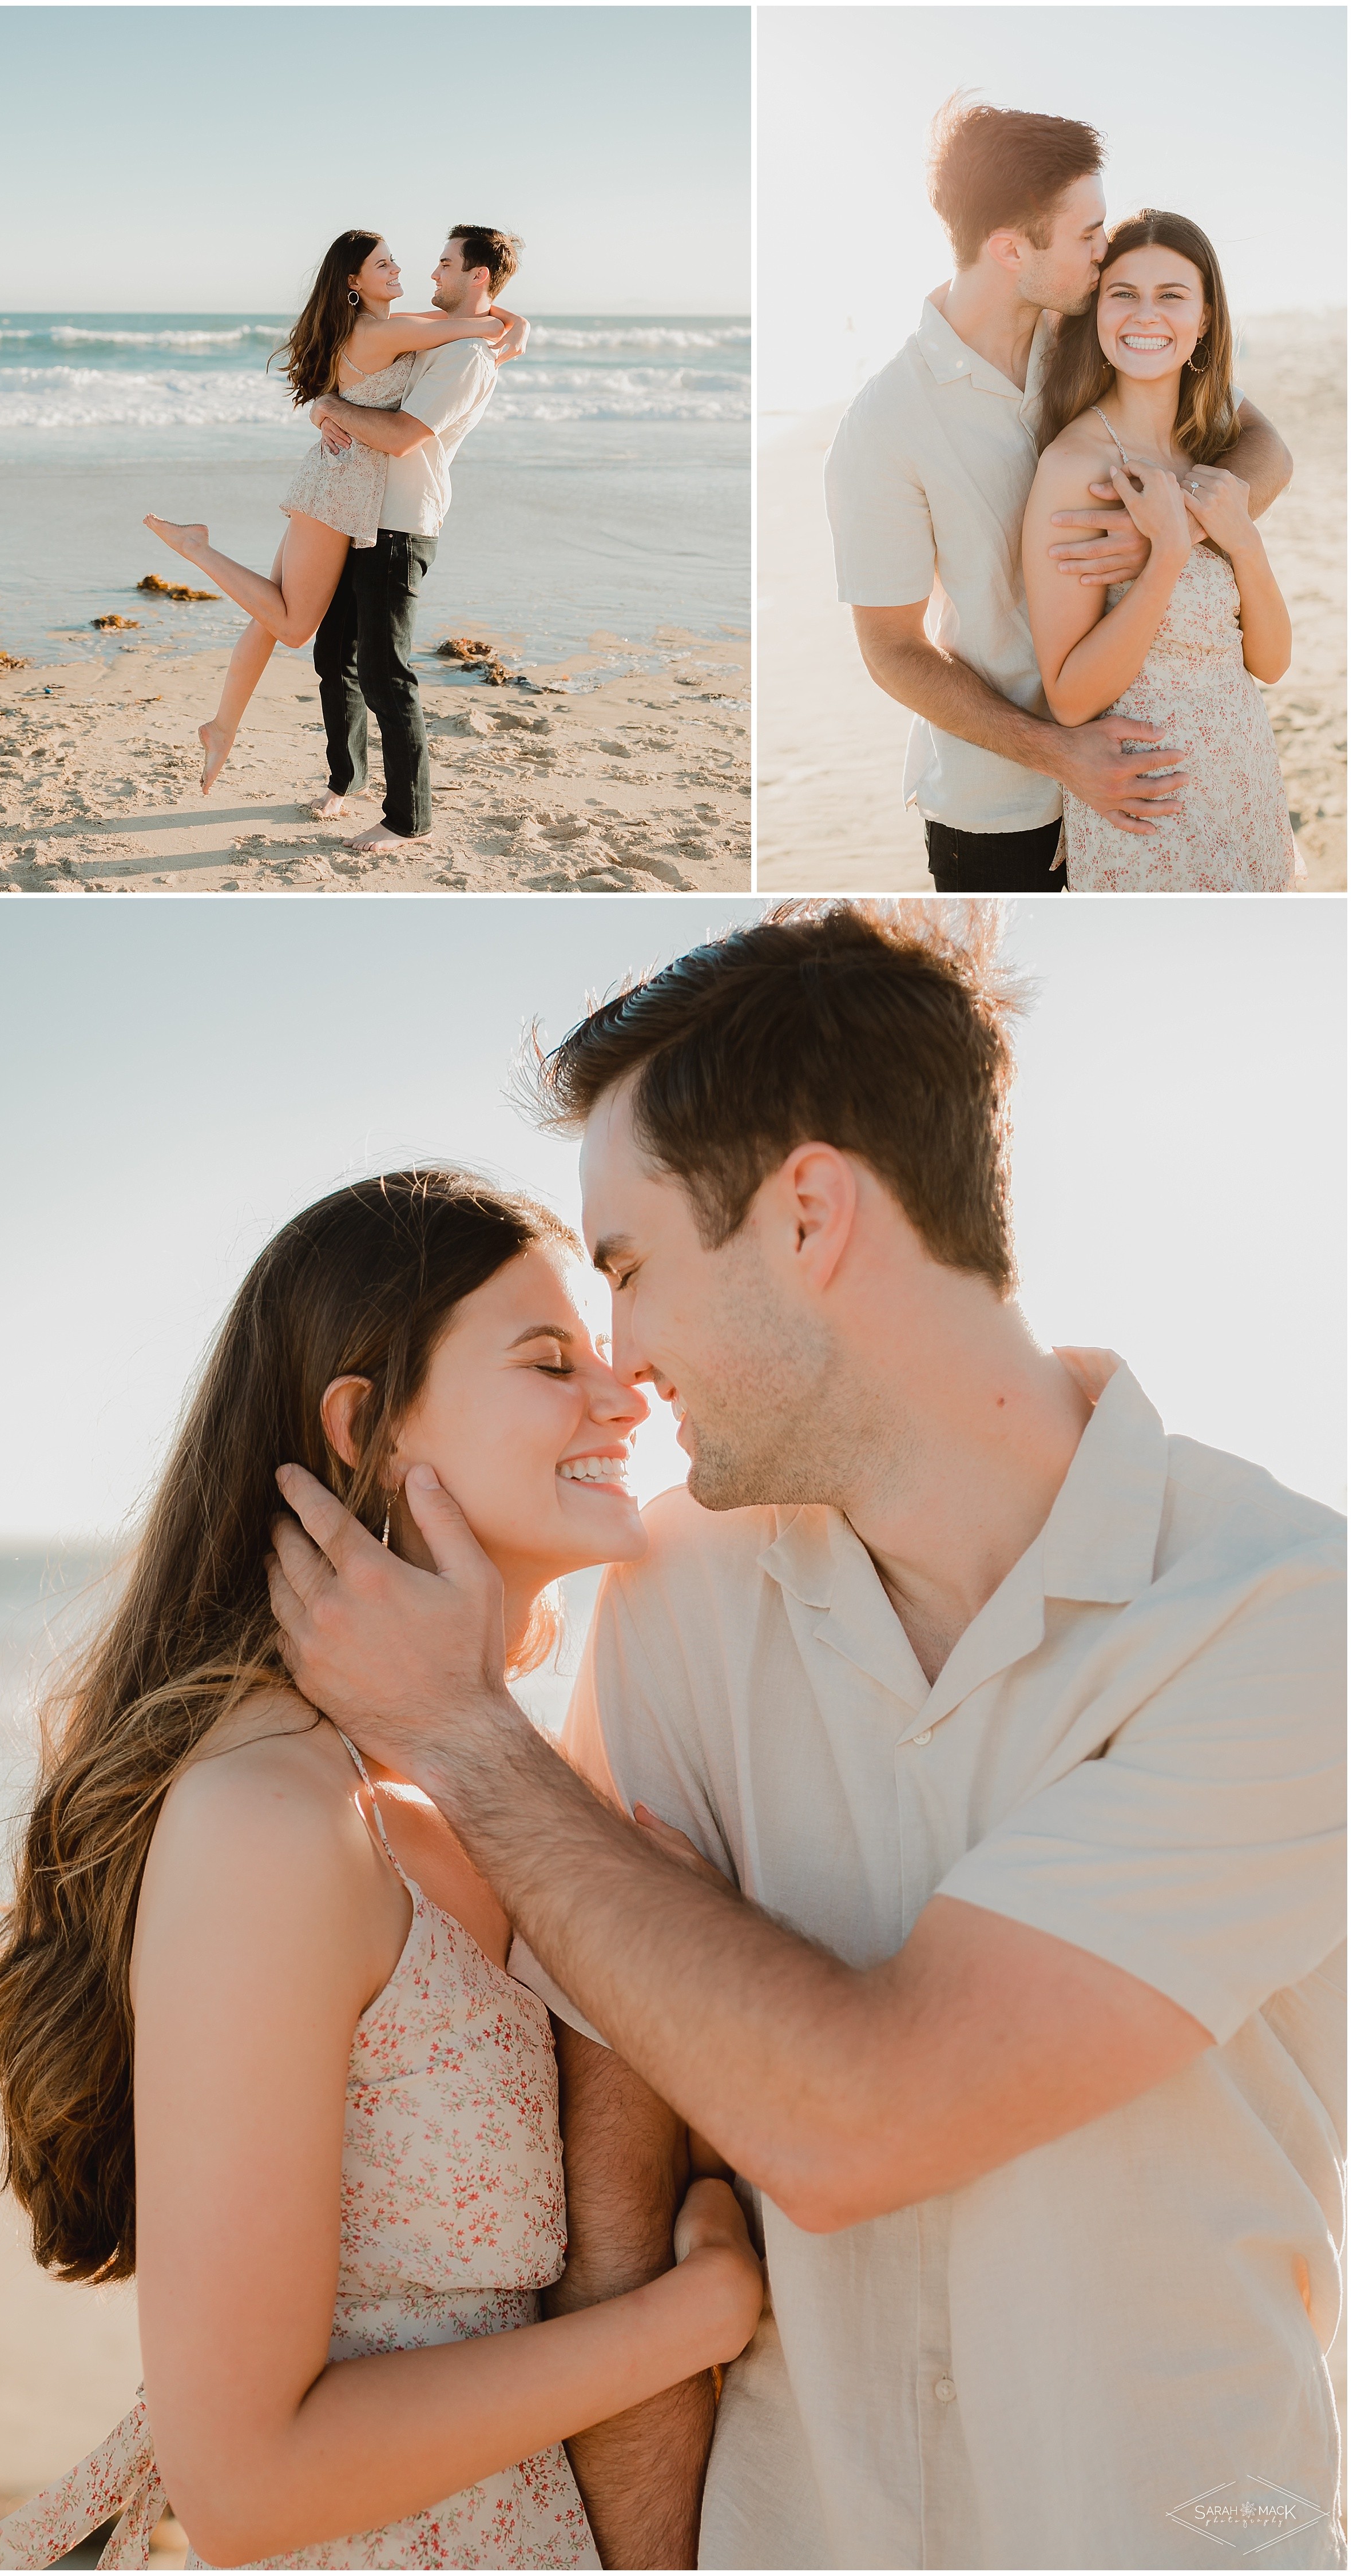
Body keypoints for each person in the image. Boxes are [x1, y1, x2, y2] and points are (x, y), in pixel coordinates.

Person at [266, 904, 1346, 2572]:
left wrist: (467, 1740)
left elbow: (854, 2123)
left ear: (808, 1214)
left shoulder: (1281, 1618)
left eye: (625, 1268)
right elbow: (622, 2178)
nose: (621, 1362)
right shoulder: (678, 1597)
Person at [0, 1173, 761, 2574]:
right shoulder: (273, 1819)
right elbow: (246, 2478)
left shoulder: (493, 1787)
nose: (625, 1401)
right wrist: (683, 2325)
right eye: (552, 1364)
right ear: (366, 1430)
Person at [824, 99, 1294, 892]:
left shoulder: (1093, 333)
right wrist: (1056, 750)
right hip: (1004, 808)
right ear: (1012, 248)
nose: (1105, 250)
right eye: (1087, 233)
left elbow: (1265, 446)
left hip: (1158, 767)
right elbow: (891, 650)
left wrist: (1167, 524)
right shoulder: (886, 423)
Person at [140, 229, 526, 807]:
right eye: (384, 264)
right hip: (342, 490)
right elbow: (476, 324)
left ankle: (223, 728)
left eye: (429, 263)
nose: (408, 271)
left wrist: (325, 406)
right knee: (296, 628)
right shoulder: (389, 330)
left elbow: (458, 325)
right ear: (353, 282)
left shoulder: (398, 329)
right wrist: (513, 326)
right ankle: (197, 549)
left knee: (275, 617)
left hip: (344, 489)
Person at [1025, 211, 1298, 890]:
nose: (1146, 314)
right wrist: (1166, 557)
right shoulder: (1075, 467)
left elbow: (1269, 663)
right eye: (1123, 293)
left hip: (1247, 789)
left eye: (1172, 295)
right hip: (1151, 810)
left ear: (1204, 319)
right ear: (1096, 312)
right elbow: (1070, 698)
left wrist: (1238, 537)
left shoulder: (1211, 443)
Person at [303, 225, 525, 855]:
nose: (433, 275)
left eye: (447, 264)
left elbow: (401, 435)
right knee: (334, 658)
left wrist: (330, 407)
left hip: (402, 523)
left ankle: (408, 819)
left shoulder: (466, 358)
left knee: (385, 674)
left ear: (477, 276)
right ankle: (345, 779)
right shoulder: (446, 334)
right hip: (363, 512)